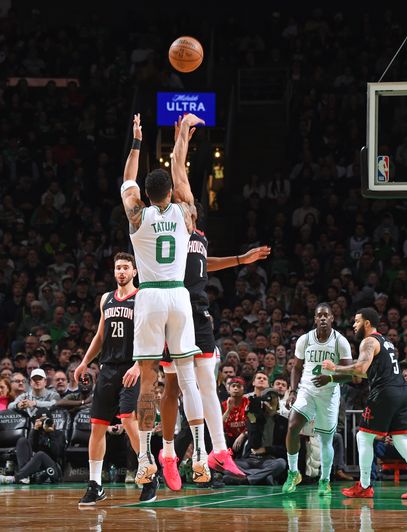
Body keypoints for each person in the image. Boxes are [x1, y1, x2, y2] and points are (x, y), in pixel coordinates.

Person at [154, 117, 270, 491]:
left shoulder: (199, 236)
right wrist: (181, 139)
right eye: (181, 199)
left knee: (207, 382)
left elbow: (207, 262)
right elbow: (177, 172)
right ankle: (171, 452)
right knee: (177, 386)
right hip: (175, 308)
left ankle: (218, 451)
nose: (185, 203)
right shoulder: (175, 222)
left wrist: (240, 260)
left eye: (190, 205)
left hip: (199, 310)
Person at [119, 112, 208, 489]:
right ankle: (201, 458)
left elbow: (127, 179)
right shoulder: (186, 213)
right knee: (188, 380)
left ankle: (144, 460)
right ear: (170, 193)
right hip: (179, 294)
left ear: (145, 195)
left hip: (151, 296)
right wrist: (181, 138)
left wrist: (138, 141)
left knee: (148, 384)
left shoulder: (136, 216)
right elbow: (180, 171)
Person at [323, 307, 407, 499]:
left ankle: (364, 486)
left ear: (366, 323)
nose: (353, 325)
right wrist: (339, 374)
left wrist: (334, 367)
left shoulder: (368, 341)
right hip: (402, 393)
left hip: (385, 393)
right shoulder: (386, 342)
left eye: (356, 321)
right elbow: (366, 372)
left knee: (363, 437)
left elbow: (361, 366)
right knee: (401, 439)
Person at [74, 252, 145, 505]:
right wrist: (85, 362)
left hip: (131, 366)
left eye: (126, 267)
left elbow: (152, 335)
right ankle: (95, 485)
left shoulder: (142, 297)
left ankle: (148, 474)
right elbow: (100, 335)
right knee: (97, 426)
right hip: (107, 368)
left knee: (127, 420)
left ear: (135, 272)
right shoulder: (106, 298)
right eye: (118, 268)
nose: (122, 272)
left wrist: (138, 365)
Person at [282, 303, 353, 496]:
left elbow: (349, 374)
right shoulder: (305, 339)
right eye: (319, 315)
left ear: (332, 318)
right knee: (293, 426)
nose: (322, 318)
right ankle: (293, 472)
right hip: (307, 390)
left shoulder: (340, 341)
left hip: (328, 394)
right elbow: (297, 367)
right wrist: (293, 390)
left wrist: (329, 378)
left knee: (325, 440)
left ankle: (325, 480)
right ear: (315, 319)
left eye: (326, 315)